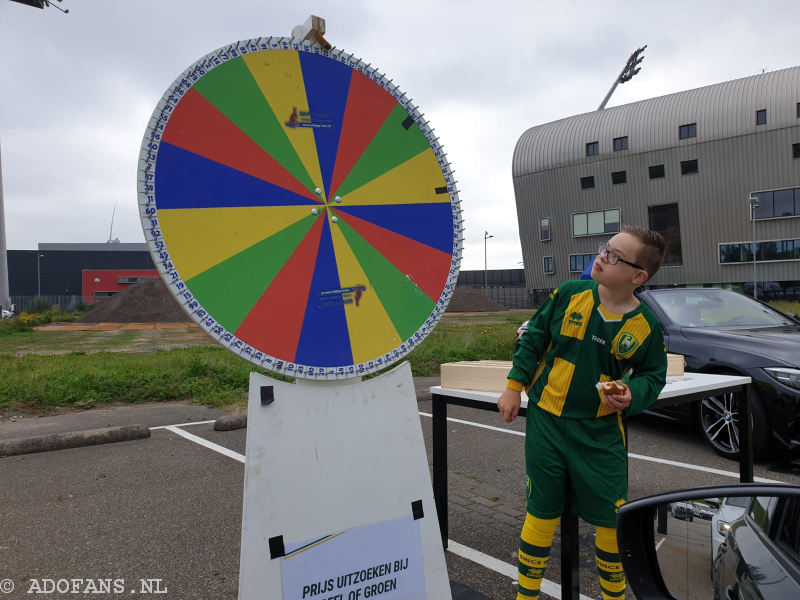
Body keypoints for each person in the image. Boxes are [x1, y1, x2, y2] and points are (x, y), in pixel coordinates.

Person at [497, 225, 668, 600]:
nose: (601, 256)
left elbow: (654, 376)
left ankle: (615, 596)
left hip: (601, 433)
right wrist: (513, 386)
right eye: (605, 248)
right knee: (541, 511)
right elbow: (534, 337)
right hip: (547, 422)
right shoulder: (569, 294)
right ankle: (525, 594)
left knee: (611, 519)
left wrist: (632, 393)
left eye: (614, 256)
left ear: (638, 276)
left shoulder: (646, 327)